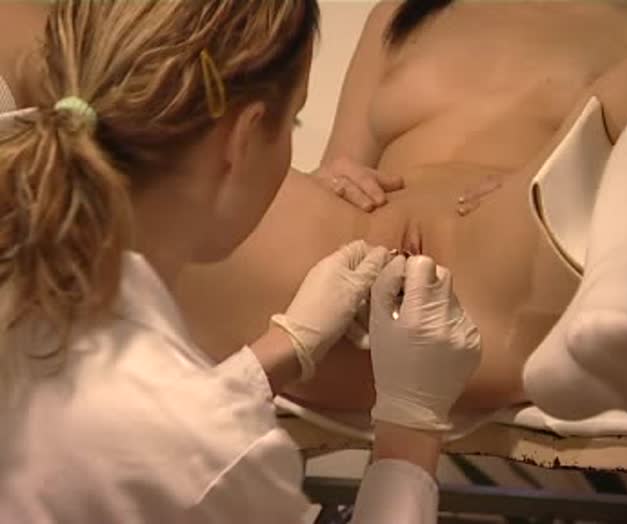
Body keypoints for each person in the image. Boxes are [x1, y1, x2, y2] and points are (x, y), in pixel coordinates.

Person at [0, 1, 482, 523]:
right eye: (293, 120)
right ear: (243, 138)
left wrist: (286, 346)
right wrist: (410, 432)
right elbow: (185, 448)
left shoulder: (31, 286)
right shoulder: (212, 449)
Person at [174, 0, 627, 418]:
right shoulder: (398, 13)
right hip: (342, 268)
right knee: (183, 173)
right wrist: (332, 177)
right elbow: (342, 162)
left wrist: (553, 173)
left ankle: (558, 334)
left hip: (507, 245)